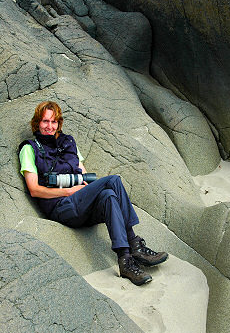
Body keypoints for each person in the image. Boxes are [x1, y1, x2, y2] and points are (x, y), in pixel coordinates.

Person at [19, 101, 168, 286]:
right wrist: (69, 190)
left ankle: (125, 261)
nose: (50, 126)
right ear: (37, 123)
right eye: (45, 121)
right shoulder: (29, 148)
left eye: (54, 122)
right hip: (59, 207)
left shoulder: (69, 142)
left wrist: (82, 188)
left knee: (108, 196)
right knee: (113, 180)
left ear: (59, 123)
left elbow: (84, 175)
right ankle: (134, 243)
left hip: (79, 204)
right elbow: (34, 189)